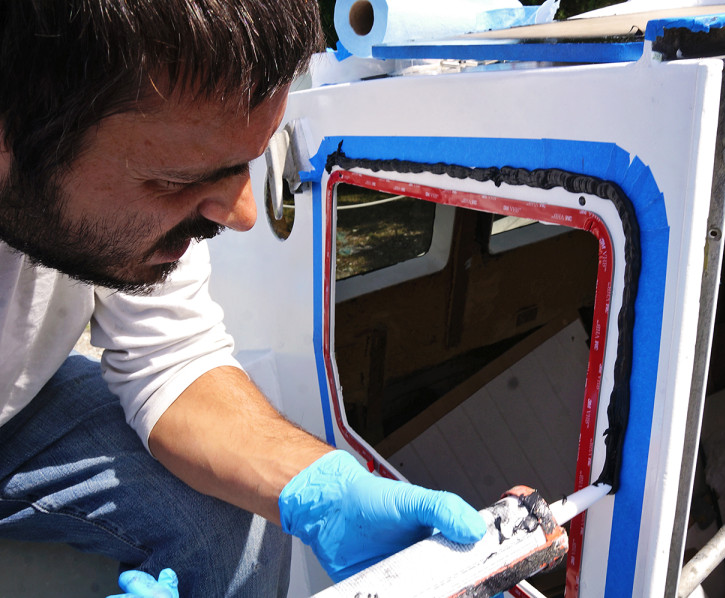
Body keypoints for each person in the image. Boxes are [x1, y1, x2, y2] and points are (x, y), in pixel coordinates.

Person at [0, 1, 486, 596]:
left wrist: (319, 487)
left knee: (238, 509)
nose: (246, 217)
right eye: (178, 180)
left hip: (20, 409)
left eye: (242, 168)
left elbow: (169, 357)